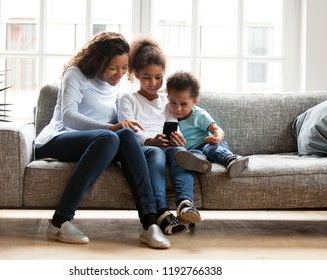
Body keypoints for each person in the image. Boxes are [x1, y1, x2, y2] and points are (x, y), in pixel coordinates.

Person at [34, 31, 170, 249]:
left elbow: (123, 125)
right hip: (59, 137)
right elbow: (68, 116)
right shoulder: (75, 75)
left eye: (124, 68)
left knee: (123, 135)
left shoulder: (119, 86)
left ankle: (150, 224)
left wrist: (147, 137)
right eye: (113, 68)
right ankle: (59, 222)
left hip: (103, 142)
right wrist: (110, 128)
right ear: (98, 62)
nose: (119, 74)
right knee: (110, 137)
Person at [118, 38, 202, 233]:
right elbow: (128, 131)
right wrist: (150, 141)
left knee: (181, 153)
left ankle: (185, 203)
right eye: (147, 77)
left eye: (158, 77)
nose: (153, 83)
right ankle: (162, 212)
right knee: (156, 153)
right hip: (142, 149)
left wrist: (178, 138)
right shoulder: (128, 99)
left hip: (166, 146)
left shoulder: (168, 102)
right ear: (137, 74)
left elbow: (174, 126)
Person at [166, 71, 249, 178]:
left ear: (194, 101)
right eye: (173, 103)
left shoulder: (198, 114)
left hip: (209, 145)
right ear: (168, 98)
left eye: (183, 104)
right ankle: (201, 164)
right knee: (194, 154)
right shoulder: (167, 117)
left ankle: (233, 160)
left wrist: (217, 137)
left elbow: (217, 130)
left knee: (209, 149)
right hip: (192, 151)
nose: (178, 108)